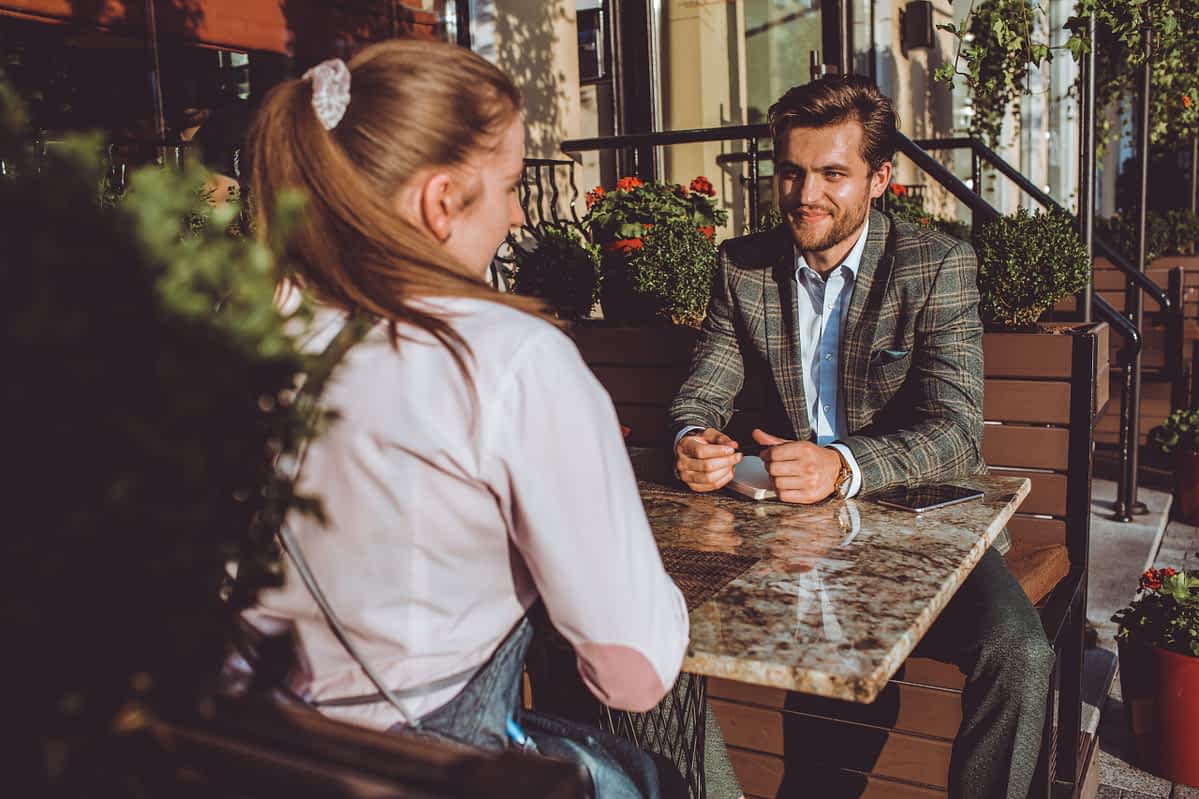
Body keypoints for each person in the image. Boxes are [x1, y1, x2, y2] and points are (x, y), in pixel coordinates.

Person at [243, 39, 689, 798]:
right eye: (510, 185)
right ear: (441, 200)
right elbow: (633, 672)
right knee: (652, 776)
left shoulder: (247, 331)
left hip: (248, 758)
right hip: (418, 772)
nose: (517, 215)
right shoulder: (506, 357)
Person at [669, 75, 1054, 799]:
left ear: (880, 178)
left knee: (1017, 650)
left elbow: (954, 429)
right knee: (649, 628)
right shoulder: (742, 267)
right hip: (787, 533)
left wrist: (841, 466)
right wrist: (694, 437)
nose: (804, 194)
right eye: (791, 171)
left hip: (922, 521)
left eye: (831, 174)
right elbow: (702, 390)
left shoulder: (934, 264)